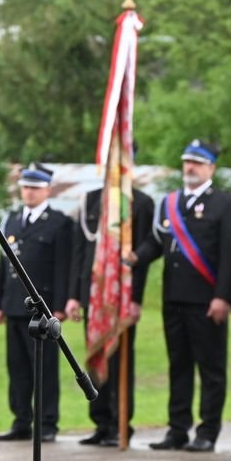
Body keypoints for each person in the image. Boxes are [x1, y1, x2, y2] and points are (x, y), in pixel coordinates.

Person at [130, 140, 231, 453]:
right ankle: (177, 429)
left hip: (207, 300)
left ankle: (207, 431)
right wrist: (135, 257)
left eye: (197, 162)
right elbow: (157, 243)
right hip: (174, 298)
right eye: (187, 162)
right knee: (178, 366)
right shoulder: (169, 203)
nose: (190, 167)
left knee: (210, 369)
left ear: (211, 168)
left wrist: (223, 297)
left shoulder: (224, 204)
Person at [66, 185, 154, 447]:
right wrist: (74, 295)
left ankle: (120, 422)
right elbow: (80, 250)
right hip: (93, 294)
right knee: (95, 357)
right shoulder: (91, 200)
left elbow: (141, 257)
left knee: (119, 361)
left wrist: (135, 298)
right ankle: (101, 422)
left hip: (121, 298)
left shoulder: (139, 202)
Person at [0, 162, 73, 443]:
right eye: (26, 187)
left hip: (44, 308)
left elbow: (63, 266)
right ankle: (21, 420)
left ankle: (47, 422)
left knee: (44, 369)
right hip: (15, 304)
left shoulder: (59, 222)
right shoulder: (11, 220)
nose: (29, 192)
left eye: (35, 188)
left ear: (48, 190)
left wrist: (60, 304)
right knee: (18, 368)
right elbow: (4, 265)